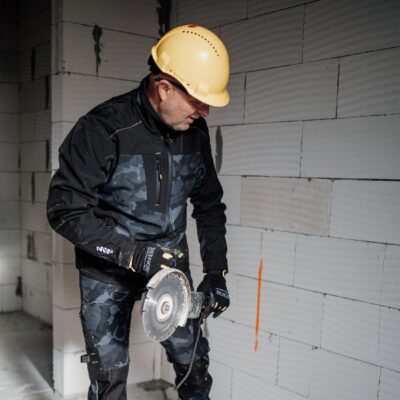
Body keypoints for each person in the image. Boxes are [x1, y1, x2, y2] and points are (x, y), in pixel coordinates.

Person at [47, 24, 230, 400]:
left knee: (194, 366)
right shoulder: (102, 129)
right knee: (109, 379)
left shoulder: (194, 133)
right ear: (164, 88)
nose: (205, 111)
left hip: (170, 268)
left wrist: (216, 272)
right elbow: (65, 210)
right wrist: (134, 254)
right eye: (198, 100)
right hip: (107, 272)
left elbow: (209, 205)